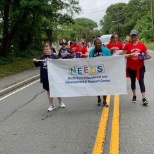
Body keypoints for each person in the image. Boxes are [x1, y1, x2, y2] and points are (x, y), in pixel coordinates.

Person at [33, 45, 65, 111]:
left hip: (53, 77)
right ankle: (51, 105)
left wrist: (60, 61)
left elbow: (59, 64)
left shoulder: (54, 57)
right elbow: (37, 64)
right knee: (49, 91)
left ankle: (61, 102)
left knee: (56, 89)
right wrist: (35, 61)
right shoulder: (42, 57)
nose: (46, 50)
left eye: (48, 49)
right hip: (45, 77)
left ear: (50, 50)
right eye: (45, 49)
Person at [123, 30, 151, 105]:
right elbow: (123, 55)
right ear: (130, 36)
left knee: (141, 81)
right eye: (132, 35)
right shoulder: (127, 45)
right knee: (133, 81)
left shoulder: (141, 45)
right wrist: (130, 55)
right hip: (131, 67)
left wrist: (145, 57)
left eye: (135, 35)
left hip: (140, 66)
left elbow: (147, 55)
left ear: (137, 36)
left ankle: (144, 98)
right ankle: (134, 95)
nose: (133, 37)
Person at [89, 38, 111, 107]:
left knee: (105, 86)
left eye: (99, 43)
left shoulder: (106, 50)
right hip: (95, 72)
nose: (98, 45)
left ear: (101, 44)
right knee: (97, 87)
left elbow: (111, 59)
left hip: (104, 71)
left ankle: (104, 101)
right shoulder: (92, 52)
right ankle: (99, 99)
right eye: (96, 43)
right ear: (94, 44)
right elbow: (89, 61)